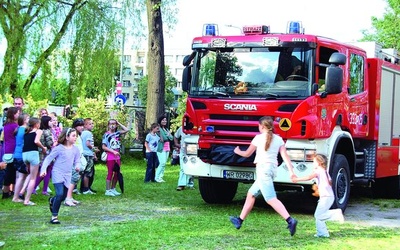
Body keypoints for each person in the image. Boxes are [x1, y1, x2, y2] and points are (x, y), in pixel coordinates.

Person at [229, 116, 298, 236]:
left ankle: (290, 220)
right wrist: (291, 172)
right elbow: (285, 157)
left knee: (270, 199)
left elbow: (247, 154)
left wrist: (237, 151)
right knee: (251, 194)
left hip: (262, 170)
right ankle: (239, 220)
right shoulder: (279, 139)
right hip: (271, 170)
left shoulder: (258, 138)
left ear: (262, 126)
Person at [292, 153, 344, 238]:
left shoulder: (318, 171)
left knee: (318, 215)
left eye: (314, 162)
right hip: (328, 197)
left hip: (326, 197)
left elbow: (309, 177)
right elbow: (329, 183)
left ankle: (336, 214)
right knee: (319, 215)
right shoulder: (325, 172)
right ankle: (322, 233)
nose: (313, 163)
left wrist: (297, 179)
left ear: (319, 162)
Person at [40, 128, 81, 224]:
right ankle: (54, 217)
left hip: (68, 174)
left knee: (62, 197)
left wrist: (78, 166)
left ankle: (52, 200)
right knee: (59, 194)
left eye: (76, 136)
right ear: (67, 137)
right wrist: (43, 169)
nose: (75, 138)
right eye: (73, 136)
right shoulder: (59, 148)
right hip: (57, 173)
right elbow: (48, 159)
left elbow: (77, 160)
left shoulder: (76, 149)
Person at [22, 117, 47, 205]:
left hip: (25, 154)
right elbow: (36, 141)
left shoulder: (26, 132)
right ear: (36, 124)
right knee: (33, 178)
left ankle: (22, 190)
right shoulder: (38, 131)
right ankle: (27, 200)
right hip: (33, 153)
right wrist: (43, 148)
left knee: (29, 174)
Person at [102, 119, 129, 196]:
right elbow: (103, 146)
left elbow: (126, 130)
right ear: (108, 125)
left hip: (117, 157)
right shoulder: (106, 135)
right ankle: (107, 190)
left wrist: (119, 123)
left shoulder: (117, 133)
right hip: (110, 156)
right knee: (110, 172)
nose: (112, 125)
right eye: (110, 124)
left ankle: (113, 188)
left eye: (114, 124)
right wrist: (113, 151)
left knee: (117, 173)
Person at [64, 118, 85, 206]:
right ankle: (67, 198)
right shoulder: (73, 135)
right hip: (74, 160)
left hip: (77, 159)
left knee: (75, 178)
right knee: (73, 178)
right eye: (79, 126)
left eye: (82, 125)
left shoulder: (78, 135)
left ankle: (70, 196)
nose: (82, 127)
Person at [2, 107, 20, 199]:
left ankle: (7, 191)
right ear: (13, 114)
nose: (19, 114)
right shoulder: (14, 126)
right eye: (17, 113)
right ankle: (8, 191)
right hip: (13, 150)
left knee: (10, 170)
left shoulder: (6, 125)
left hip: (8, 149)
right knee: (11, 171)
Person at [12, 113, 30, 202]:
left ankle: (16, 195)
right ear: (24, 120)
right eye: (28, 118)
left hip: (16, 154)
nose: (29, 120)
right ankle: (16, 197)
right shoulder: (24, 130)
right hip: (22, 154)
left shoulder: (18, 129)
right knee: (22, 176)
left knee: (18, 176)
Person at [34, 116, 54, 195]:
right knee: (45, 172)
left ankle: (42, 189)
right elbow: (50, 144)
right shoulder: (47, 131)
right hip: (46, 154)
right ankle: (37, 188)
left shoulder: (40, 131)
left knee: (46, 171)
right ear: (47, 122)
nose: (52, 122)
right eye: (50, 121)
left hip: (40, 153)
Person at [81, 118, 98, 194]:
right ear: (85, 125)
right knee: (88, 172)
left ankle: (84, 188)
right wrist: (94, 149)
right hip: (88, 155)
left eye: (92, 123)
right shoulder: (88, 133)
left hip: (84, 154)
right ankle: (86, 189)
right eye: (90, 124)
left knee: (84, 172)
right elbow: (88, 144)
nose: (92, 125)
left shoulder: (82, 133)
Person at [174, 126, 194, 191]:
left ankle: (190, 183)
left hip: (192, 149)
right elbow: (176, 136)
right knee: (182, 167)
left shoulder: (195, 127)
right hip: (183, 150)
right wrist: (177, 144)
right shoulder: (181, 128)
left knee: (191, 167)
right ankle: (181, 184)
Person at [155, 115, 173, 183]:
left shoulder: (166, 129)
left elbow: (171, 138)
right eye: (163, 120)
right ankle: (157, 177)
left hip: (167, 148)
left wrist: (168, 136)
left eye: (165, 120)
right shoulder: (158, 128)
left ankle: (161, 177)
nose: (164, 121)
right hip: (161, 148)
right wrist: (168, 135)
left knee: (164, 163)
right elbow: (165, 138)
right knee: (162, 163)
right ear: (160, 121)